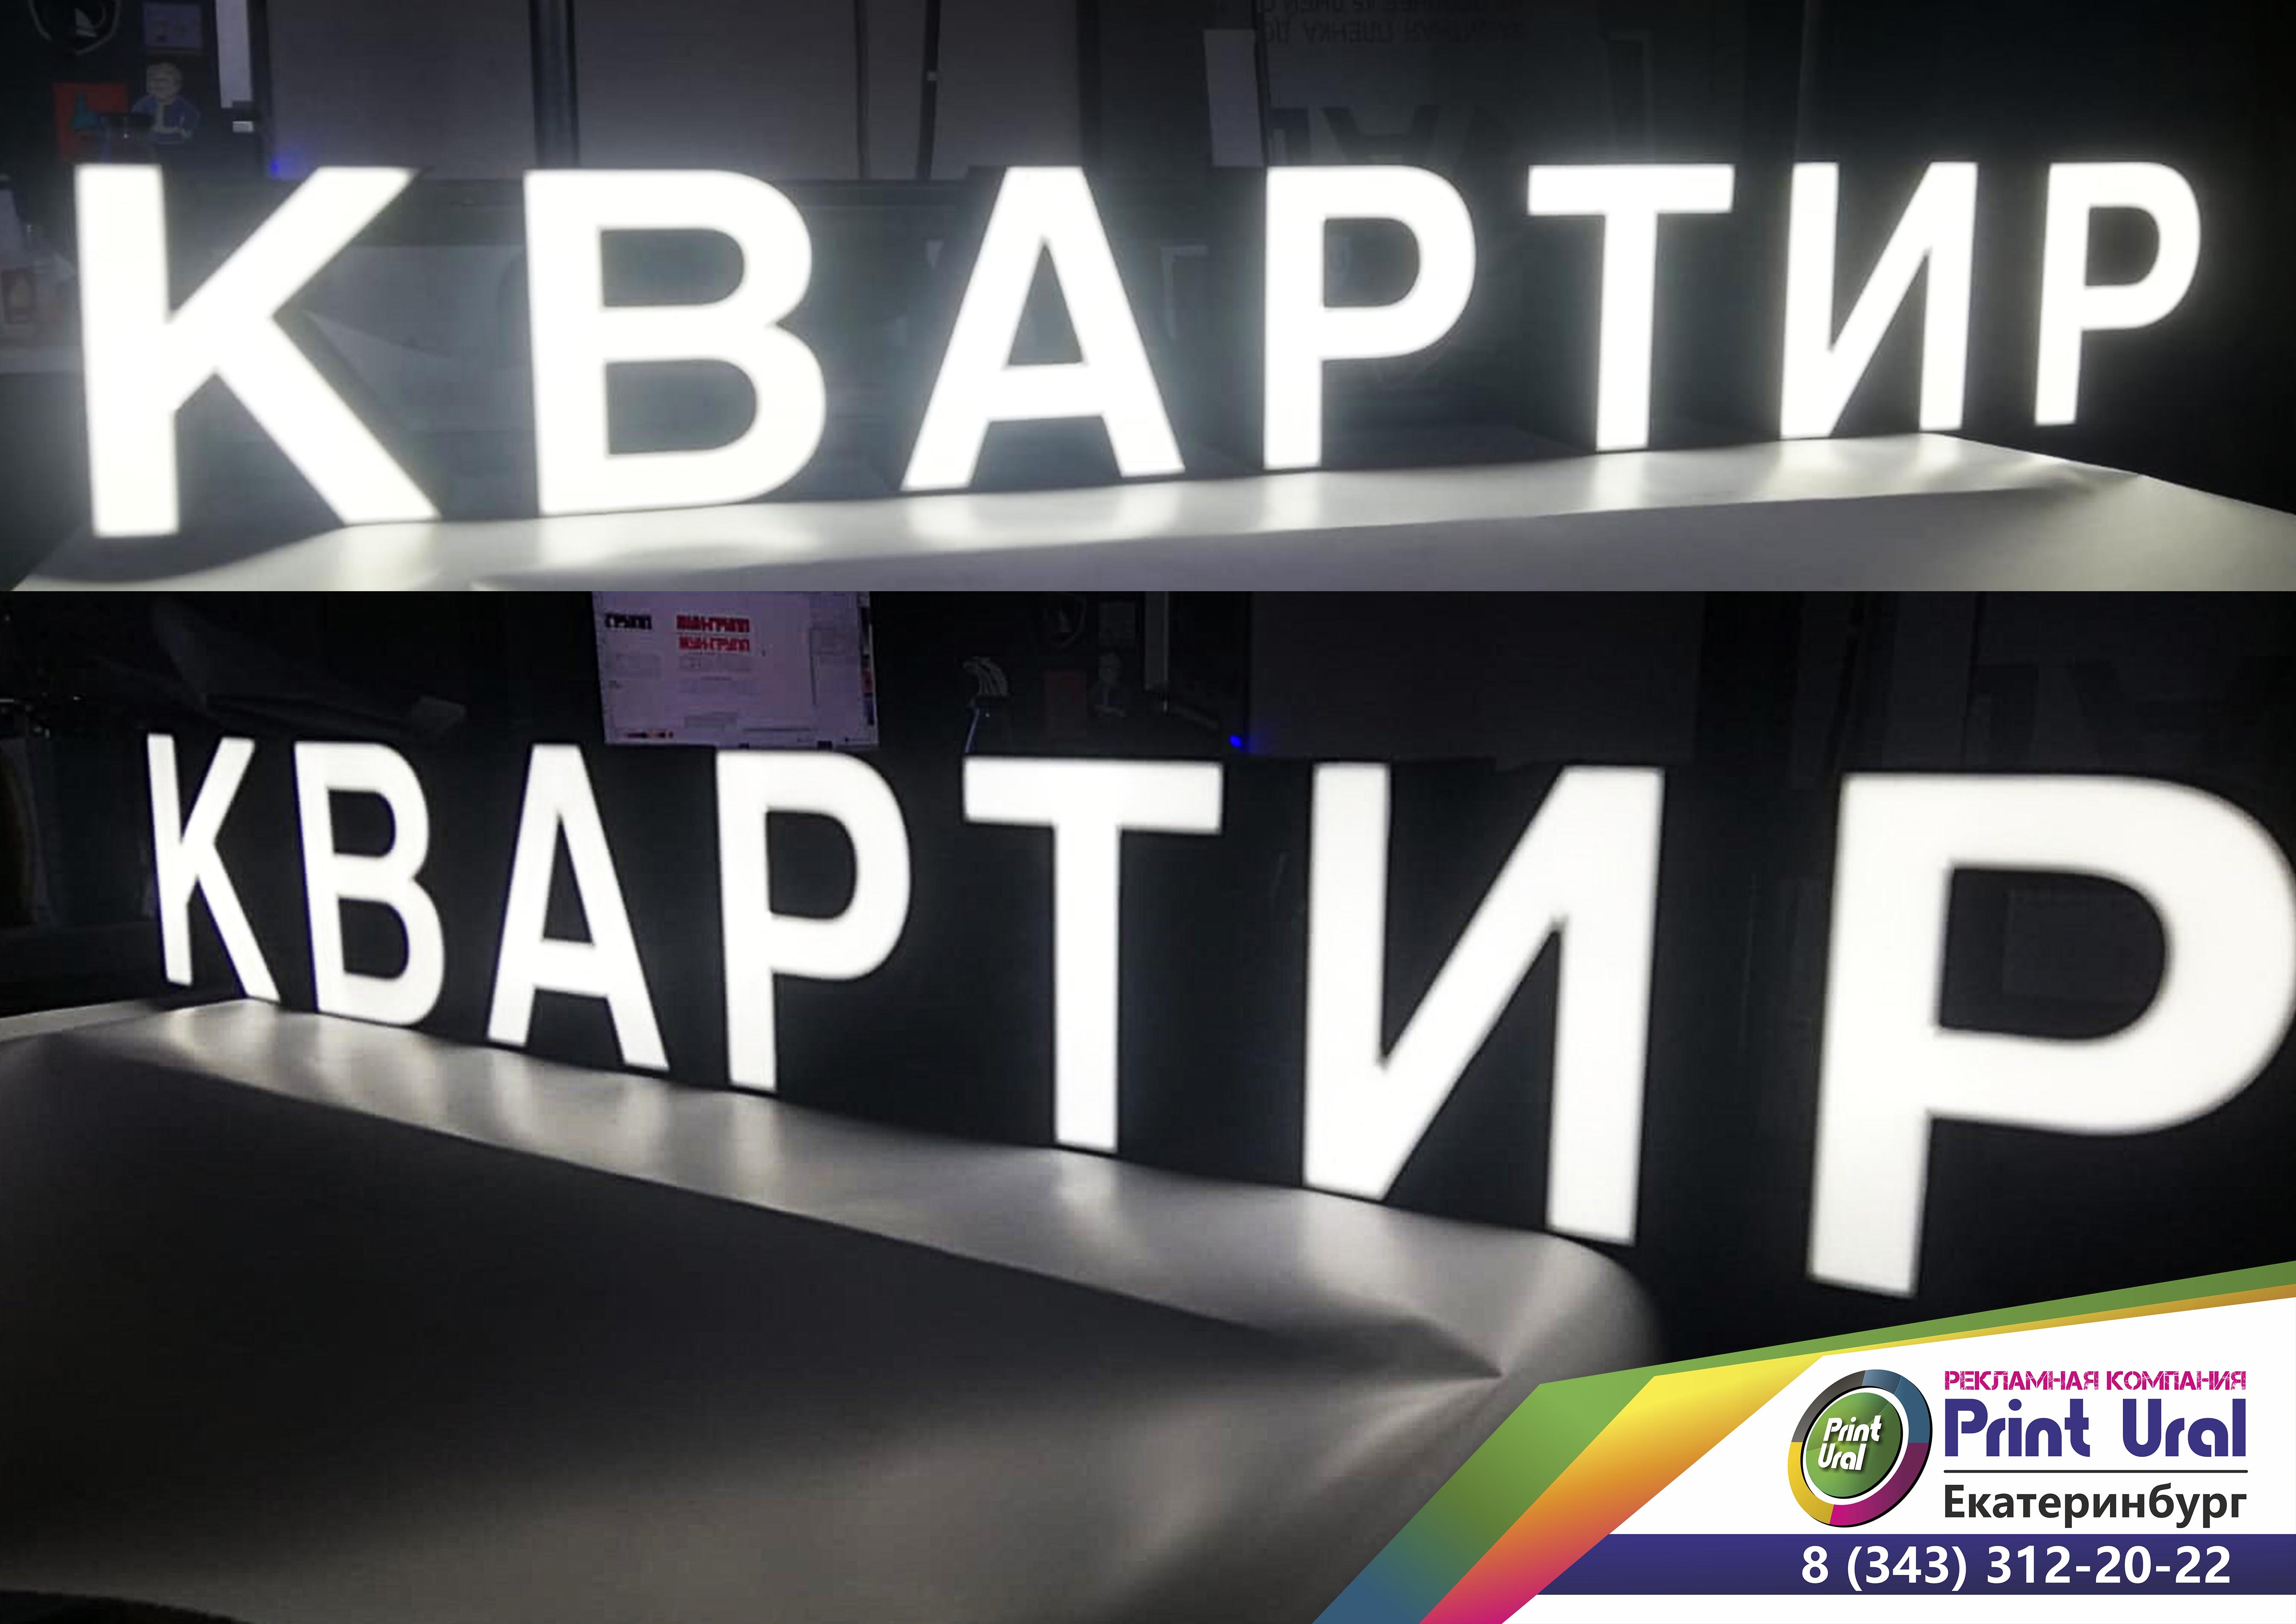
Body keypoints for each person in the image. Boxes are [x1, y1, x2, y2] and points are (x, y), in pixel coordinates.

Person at [132, 61, 199, 146]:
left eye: (164, 81)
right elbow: (137, 127)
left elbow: (188, 132)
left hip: (178, 147)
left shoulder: (187, 109)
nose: (158, 84)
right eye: (154, 81)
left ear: (177, 86)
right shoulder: (143, 105)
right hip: (149, 147)